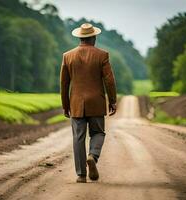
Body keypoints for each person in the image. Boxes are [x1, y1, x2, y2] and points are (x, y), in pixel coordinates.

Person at [60, 23, 117, 183]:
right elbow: (109, 80)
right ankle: (93, 155)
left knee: (78, 138)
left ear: (80, 38)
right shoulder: (102, 55)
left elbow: (64, 84)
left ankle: (81, 175)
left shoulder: (67, 56)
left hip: (76, 103)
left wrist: (65, 105)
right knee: (98, 133)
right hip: (96, 103)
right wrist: (112, 101)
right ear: (94, 38)